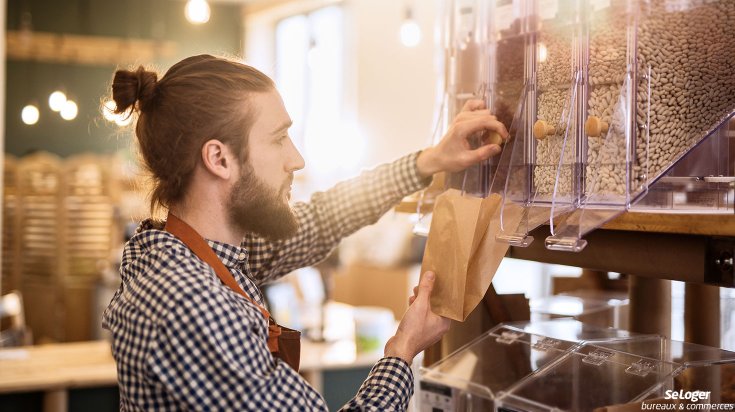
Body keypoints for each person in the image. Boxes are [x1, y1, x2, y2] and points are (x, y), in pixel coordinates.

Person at [102, 54, 508, 411]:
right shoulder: (191, 306)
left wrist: (430, 161)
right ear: (219, 158)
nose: (296, 159)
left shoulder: (192, 254)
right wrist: (402, 352)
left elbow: (321, 219)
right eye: (279, 138)